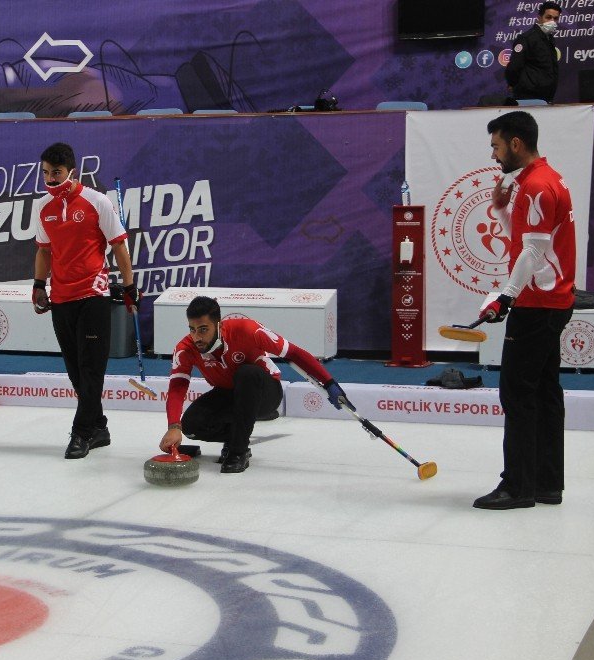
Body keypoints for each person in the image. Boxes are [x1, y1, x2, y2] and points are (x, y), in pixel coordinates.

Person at [474, 110, 576, 510]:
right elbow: (530, 242)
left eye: (497, 146)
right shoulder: (544, 179)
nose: (494, 155)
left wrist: (507, 296)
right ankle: (547, 484)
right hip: (552, 302)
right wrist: (500, 209)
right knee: (546, 391)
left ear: (516, 143)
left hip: (536, 305)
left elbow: (533, 252)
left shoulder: (536, 186)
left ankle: (518, 487)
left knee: (517, 393)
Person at [158, 296, 353, 474]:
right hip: (229, 394)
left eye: (203, 329)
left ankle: (238, 450)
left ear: (219, 325)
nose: (197, 337)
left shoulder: (247, 330)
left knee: (247, 373)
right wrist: (174, 426)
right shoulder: (185, 348)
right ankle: (236, 436)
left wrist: (329, 384)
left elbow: (294, 353)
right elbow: (177, 387)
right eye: (192, 329)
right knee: (191, 425)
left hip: (265, 393)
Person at [31, 142, 140, 459]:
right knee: (77, 373)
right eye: (46, 174)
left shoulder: (97, 201)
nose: (51, 180)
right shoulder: (42, 207)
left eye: (57, 173)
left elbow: (119, 246)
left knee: (91, 371)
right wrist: (39, 285)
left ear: (71, 171)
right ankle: (99, 427)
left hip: (93, 295)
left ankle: (81, 434)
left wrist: (130, 287)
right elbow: (43, 250)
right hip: (60, 297)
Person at [504, 1, 561, 103]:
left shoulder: (550, 39)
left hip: (546, 97)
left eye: (555, 18)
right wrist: (512, 84)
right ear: (539, 18)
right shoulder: (526, 38)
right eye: (548, 17)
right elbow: (514, 66)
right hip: (528, 97)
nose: (552, 21)